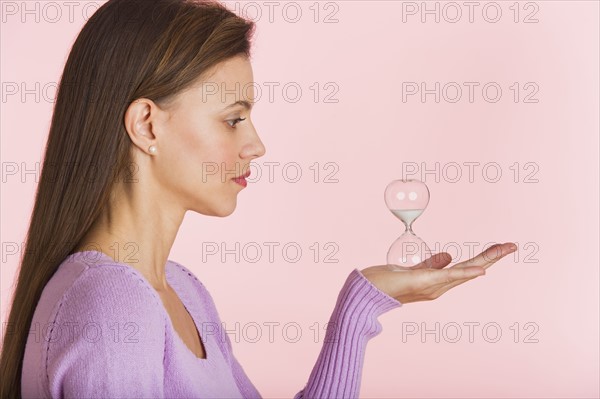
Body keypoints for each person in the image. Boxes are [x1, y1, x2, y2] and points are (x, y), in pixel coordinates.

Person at [0, 0, 517, 397]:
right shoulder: (113, 305)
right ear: (146, 124)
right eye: (232, 118)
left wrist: (360, 306)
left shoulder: (182, 291)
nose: (256, 145)